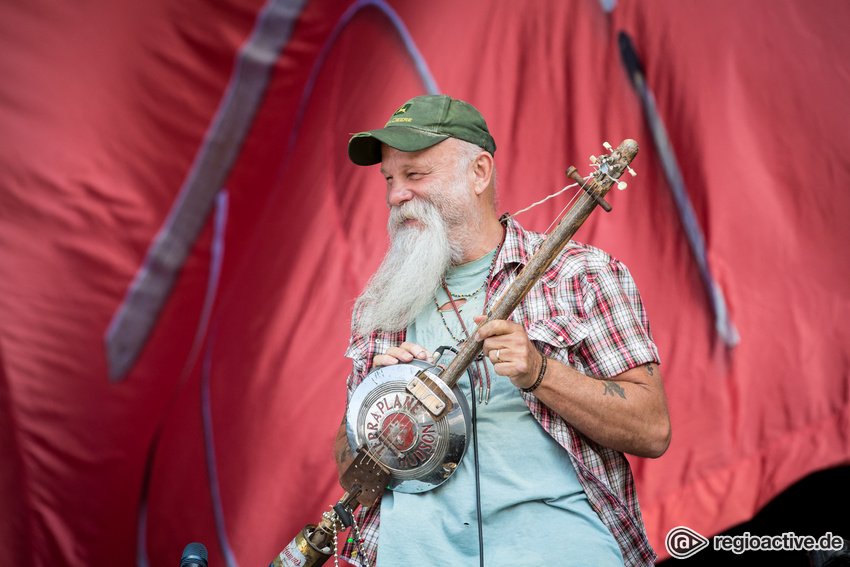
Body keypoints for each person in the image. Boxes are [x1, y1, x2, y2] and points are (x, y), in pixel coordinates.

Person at [334, 94, 671, 567]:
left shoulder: (582, 273)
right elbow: (354, 474)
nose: (395, 196)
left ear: (479, 173)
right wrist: (379, 405)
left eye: (415, 175)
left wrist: (540, 372)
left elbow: (653, 429)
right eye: (389, 179)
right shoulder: (381, 302)